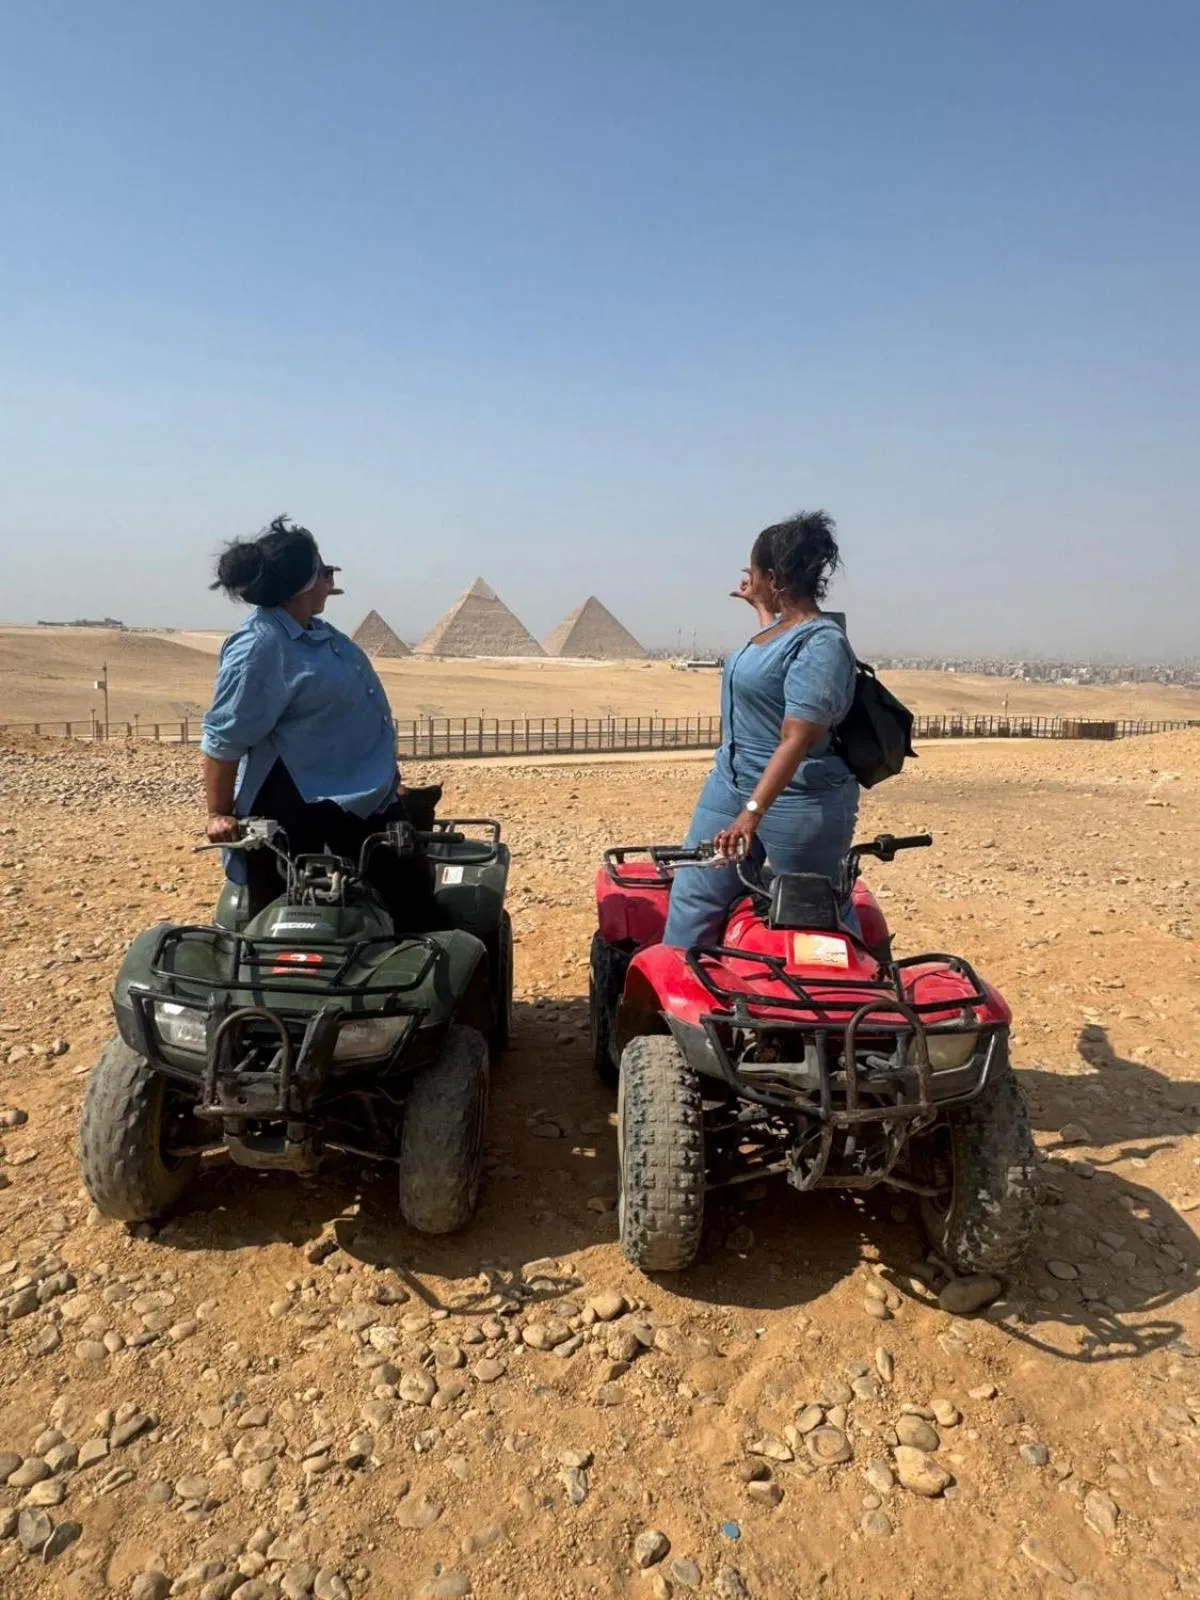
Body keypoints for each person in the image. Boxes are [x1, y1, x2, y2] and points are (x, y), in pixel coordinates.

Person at [200, 514, 439, 924]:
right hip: (296, 813)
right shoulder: (260, 647)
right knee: (288, 930)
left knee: (411, 908)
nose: (331, 578)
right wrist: (218, 813)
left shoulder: (315, 633)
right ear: (304, 584)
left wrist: (387, 777)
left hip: (361, 798)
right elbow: (223, 740)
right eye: (323, 570)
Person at [662, 510, 859, 948]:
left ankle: (854, 987)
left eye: (755, 572)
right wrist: (762, 606)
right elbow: (769, 668)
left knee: (814, 920)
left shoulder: (822, 644)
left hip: (796, 800)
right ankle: (686, 991)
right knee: (694, 898)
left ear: (774, 578)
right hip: (730, 784)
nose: (748, 577)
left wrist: (752, 812)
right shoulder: (778, 629)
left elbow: (797, 738)